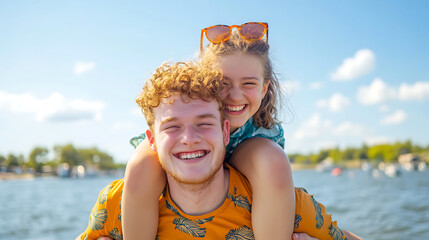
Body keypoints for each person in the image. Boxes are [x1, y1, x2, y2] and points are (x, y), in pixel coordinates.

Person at [77, 61, 356, 240]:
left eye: (204, 124)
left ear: (226, 132)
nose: (188, 138)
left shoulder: (282, 206)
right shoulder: (117, 205)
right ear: (151, 139)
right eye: (172, 126)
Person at [123, 22, 295, 240]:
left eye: (248, 84)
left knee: (273, 160)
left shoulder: (261, 137)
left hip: (246, 147)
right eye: (223, 83)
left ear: (264, 88)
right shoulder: (186, 128)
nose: (235, 95)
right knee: (141, 162)